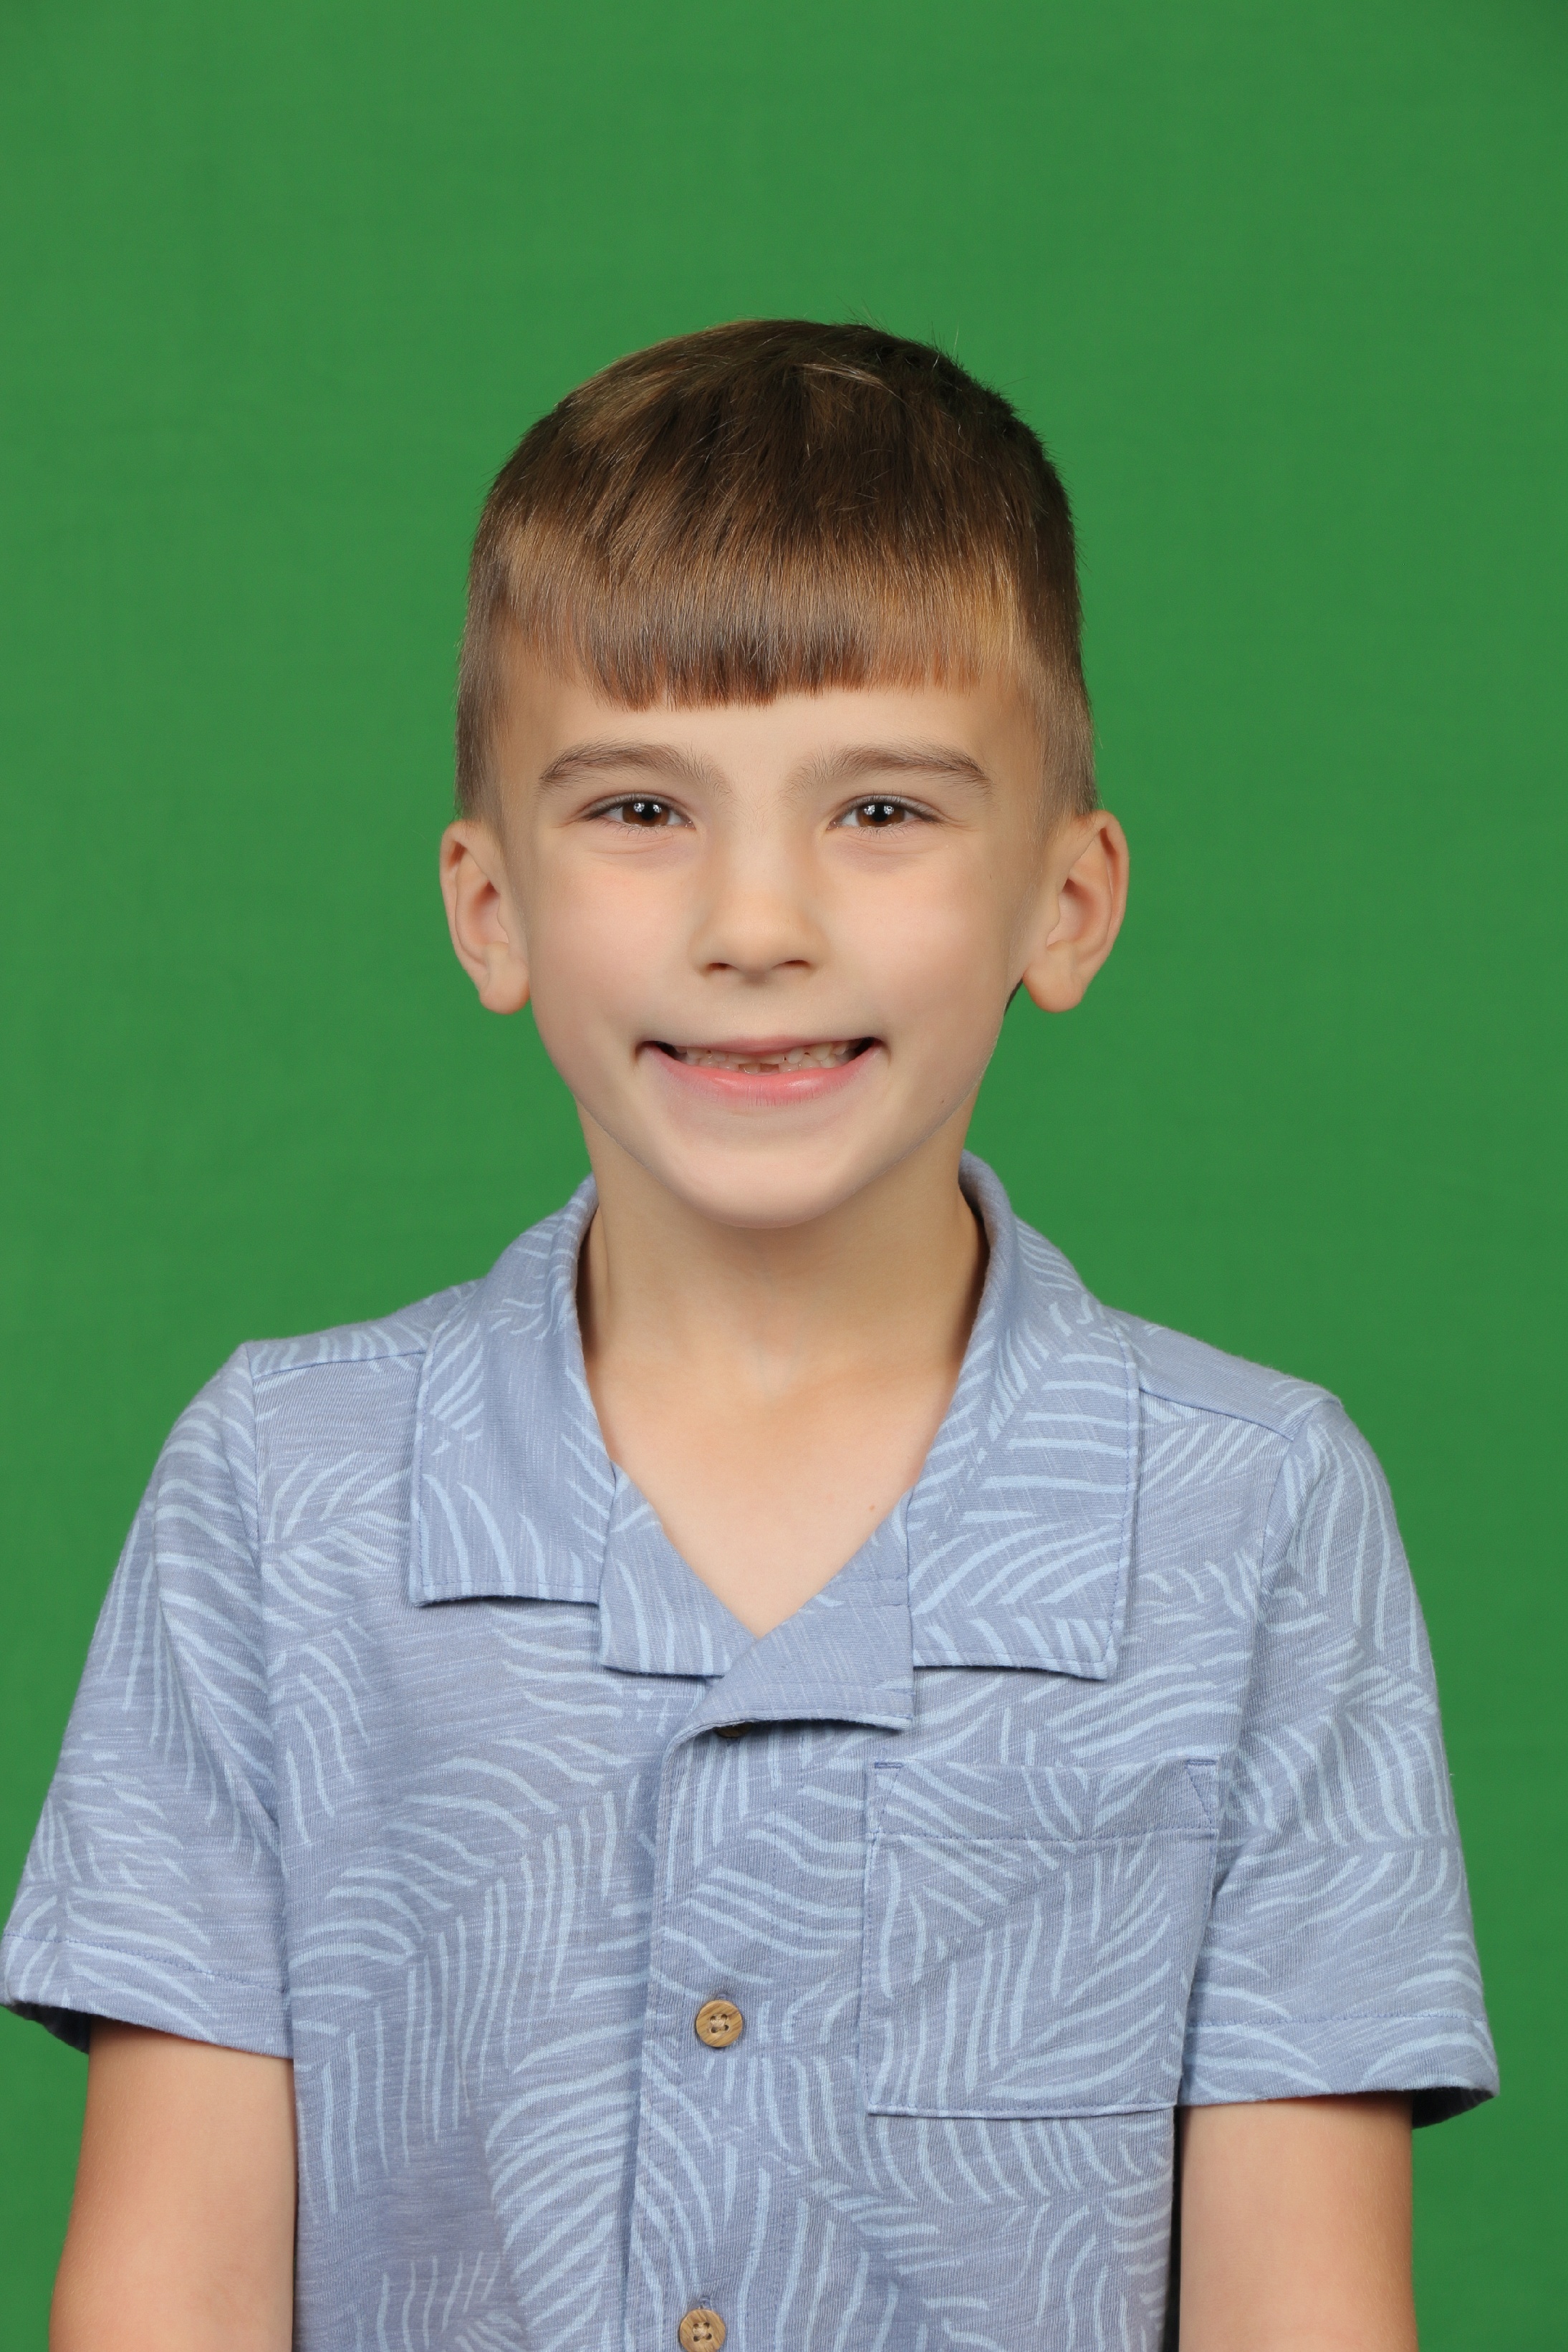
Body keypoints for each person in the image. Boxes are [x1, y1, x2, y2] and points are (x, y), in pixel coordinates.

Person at [4, 321, 1495, 2352]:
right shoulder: (283, 1495)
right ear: (489, 905)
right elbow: (162, 2298)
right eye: (640, 807)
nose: (757, 922)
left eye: (882, 810)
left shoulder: (1258, 1515)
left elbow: (1302, 2312)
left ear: (1066, 901)